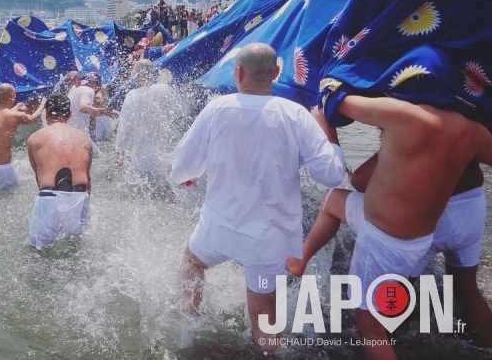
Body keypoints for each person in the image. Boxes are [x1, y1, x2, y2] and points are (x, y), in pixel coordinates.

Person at [170, 43, 346, 351]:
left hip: (219, 228)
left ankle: (188, 333)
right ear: (277, 73)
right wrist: (330, 135)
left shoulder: (217, 108)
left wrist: (190, 174)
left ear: (238, 72)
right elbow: (331, 175)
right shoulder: (297, 115)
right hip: (269, 238)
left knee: (193, 264)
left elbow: (182, 167)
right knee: (265, 318)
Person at [296, 95, 492, 359]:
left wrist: (329, 134)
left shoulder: (403, 116)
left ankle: (301, 258)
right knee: (467, 288)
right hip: (468, 211)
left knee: (373, 326)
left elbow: (335, 100)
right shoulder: (471, 125)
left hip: (418, 223)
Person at [26, 93, 94, 248]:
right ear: (69, 114)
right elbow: (88, 179)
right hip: (79, 196)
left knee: (37, 250)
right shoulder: (84, 139)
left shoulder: (35, 138)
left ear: (47, 114)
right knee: (76, 247)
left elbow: (39, 177)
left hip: (49, 196)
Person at [115, 59, 186, 187]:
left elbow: (125, 128)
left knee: (143, 191)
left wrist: (120, 151)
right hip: (167, 150)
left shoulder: (133, 95)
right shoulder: (167, 89)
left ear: (138, 75)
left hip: (143, 153)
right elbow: (180, 116)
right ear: (152, 74)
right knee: (167, 189)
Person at [0, 83, 45, 194]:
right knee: (12, 196)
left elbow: (1, 115)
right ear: (12, 97)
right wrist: (43, 104)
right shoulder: (15, 116)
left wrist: (15, 107)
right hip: (2, 169)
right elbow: (32, 118)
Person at [67, 72, 117, 140]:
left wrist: (102, 110)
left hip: (96, 126)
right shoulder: (86, 91)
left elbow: (96, 103)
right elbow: (84, 108)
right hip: (87, 128)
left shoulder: (99, 92)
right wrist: (103, 111)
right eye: (89, 81)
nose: (91, 84)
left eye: (94, 82)